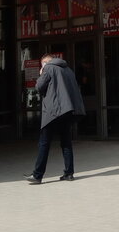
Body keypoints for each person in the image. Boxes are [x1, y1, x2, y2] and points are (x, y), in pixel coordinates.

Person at [26, 54, 86, 184]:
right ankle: (69, 173)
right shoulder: (68, 69)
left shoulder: (49, 68)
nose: (42, 66)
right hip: (67, 110)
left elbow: (39, 86)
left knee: (44, 142)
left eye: (42, 64)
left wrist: (41, 74)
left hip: (53, 111)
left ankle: (37, 175)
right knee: (66, 142)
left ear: (46, 62)